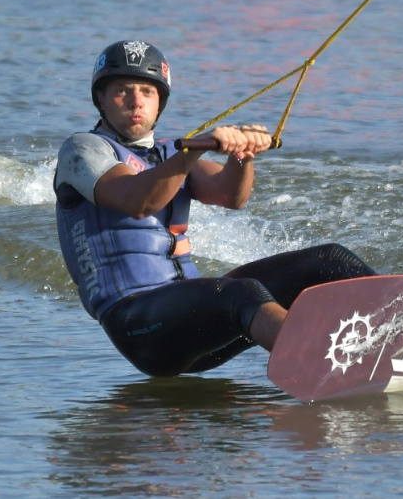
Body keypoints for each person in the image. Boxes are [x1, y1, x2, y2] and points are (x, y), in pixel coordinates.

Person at [54, 40, 376, 376]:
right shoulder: (83, 149)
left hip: (196, 321)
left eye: (147, 92)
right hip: (138, 326)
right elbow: (138, 201)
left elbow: (230, 195)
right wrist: (195, 149)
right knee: (242, 294)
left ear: (160, 101)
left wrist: (242, 156)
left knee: (328, 260)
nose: (136, 101)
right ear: (101, 98)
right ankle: (329, 365)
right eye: (122, 91)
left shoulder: (169, 154)